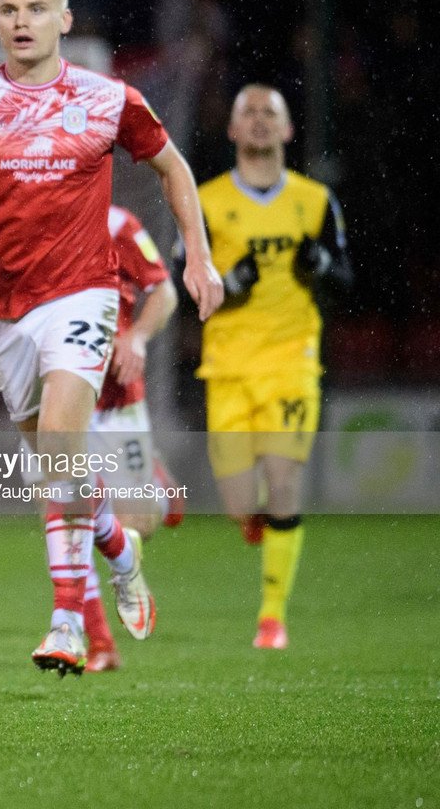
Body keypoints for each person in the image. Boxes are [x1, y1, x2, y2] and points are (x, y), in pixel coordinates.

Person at [0, 0, 223, 676]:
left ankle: (67, 625)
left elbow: (173, 168)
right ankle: (117, 549)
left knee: (57, 444)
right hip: (1, 307)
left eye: (36, 9)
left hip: (82, 293)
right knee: (56, 470)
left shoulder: (109, 98)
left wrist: (196, 260)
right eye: (10, 11)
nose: (22, 22)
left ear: (65, 20)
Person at [0, 204, 183, 672]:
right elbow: (2, 315)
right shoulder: (21, 228)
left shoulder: (117, 226)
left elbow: (164, 293)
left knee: (139, 520)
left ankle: (143, 502)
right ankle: (96, 641)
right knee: (57, 499)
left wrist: (135, 337)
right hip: (55, 396)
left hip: (115, 399)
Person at [195, 83, 351, 650]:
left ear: (287, 131)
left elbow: (348, 280)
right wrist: (225, 286)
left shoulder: (314, 201)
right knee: (239, 502)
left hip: (292, 362)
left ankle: (272, 616)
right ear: (232, 131)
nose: (259, 121)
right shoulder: (206, 201)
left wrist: (324, 267)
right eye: (248, 113)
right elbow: (181, 283)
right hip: (228, 367)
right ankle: (255, 523)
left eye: (271, 113)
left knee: (284, 481)